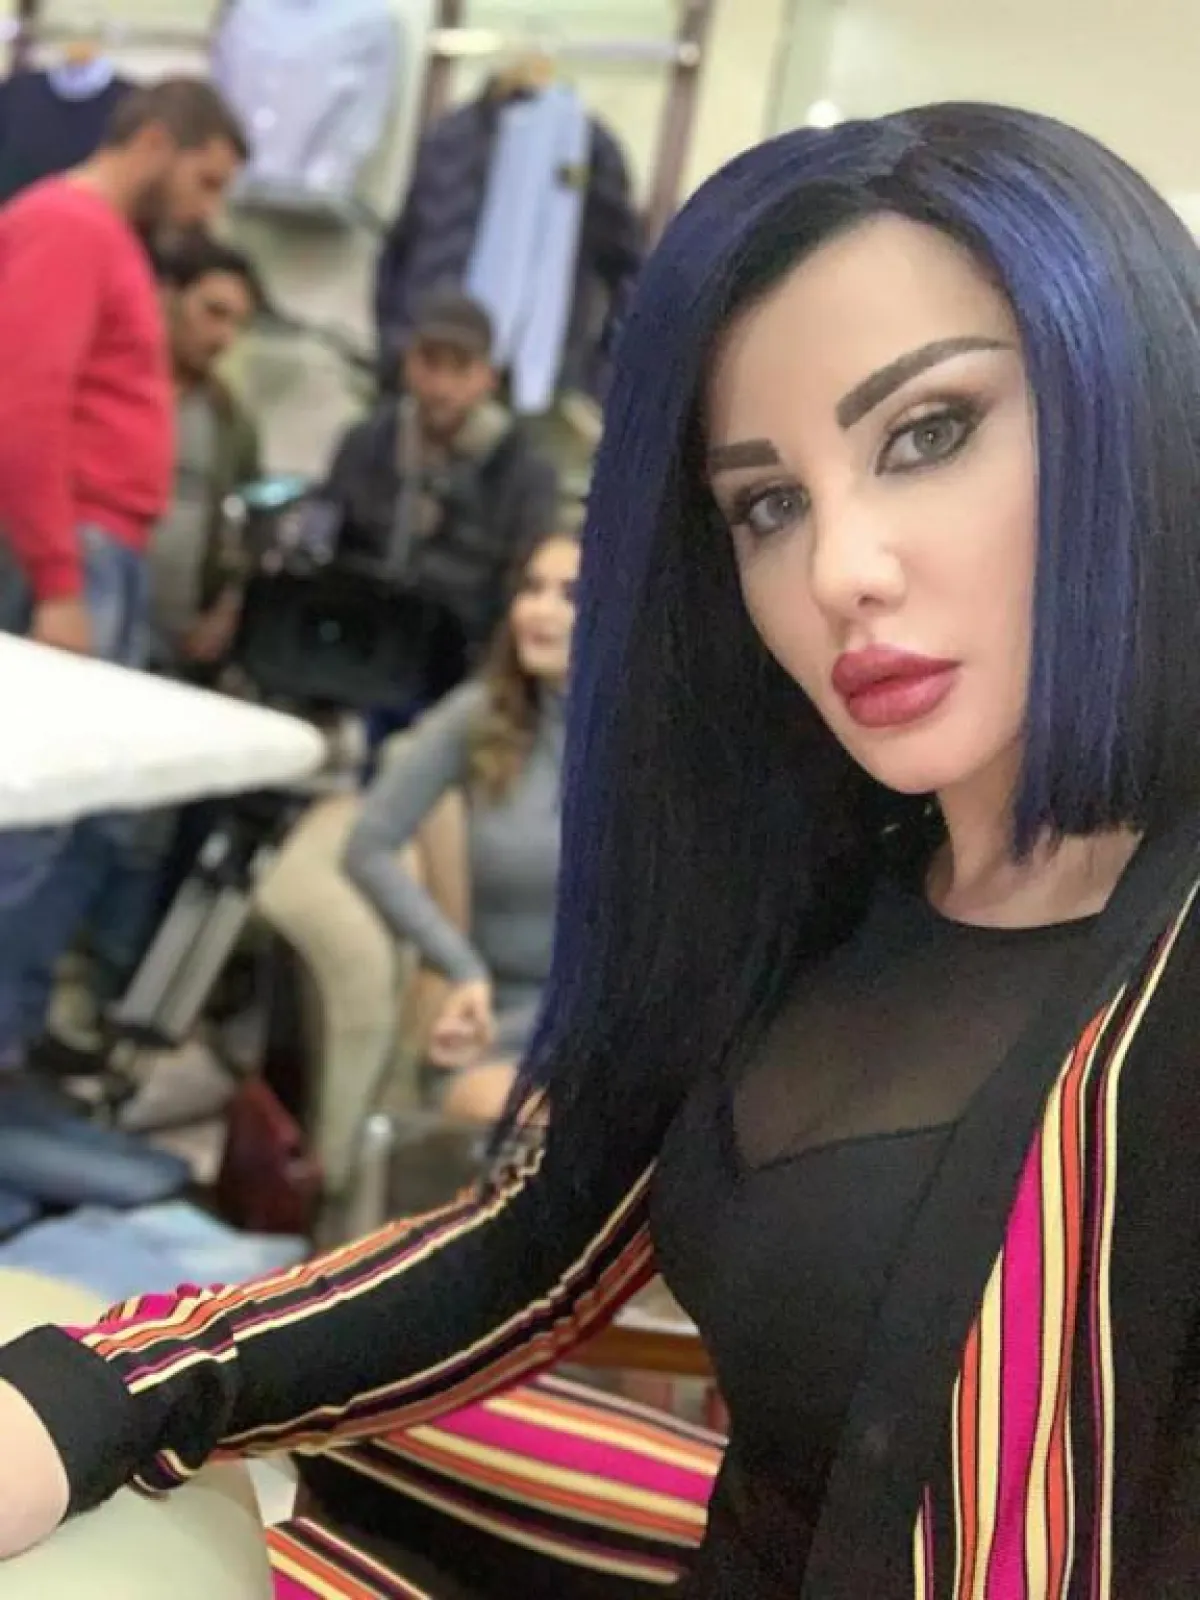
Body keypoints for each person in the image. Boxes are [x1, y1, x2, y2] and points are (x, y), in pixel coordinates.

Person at [3, 101, 1200, 1598]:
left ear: (1131, 401)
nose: (839, 570)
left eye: (930, 433)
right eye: (767, 504)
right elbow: (529, 1244)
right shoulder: (805, 897)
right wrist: (99, 1390)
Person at [0, 77, 247, 1069]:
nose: (207, 210)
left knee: (76, 825)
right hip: (77, 554)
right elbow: (23, 411)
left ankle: (12, 1044)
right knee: (33, 823)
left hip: (103, 555)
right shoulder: (67, 227)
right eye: (205, 180)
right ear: (153, 143)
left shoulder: (103, 241)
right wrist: (60, 582)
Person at [343, 530, 578, 1124]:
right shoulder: (478, 715)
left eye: (571, 595)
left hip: (616, 1032)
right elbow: (367, 845)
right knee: (551, 1134)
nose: (539, 611)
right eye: (532, 589)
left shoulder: (665, 742)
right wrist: (460, 966)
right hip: (495, 1030)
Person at [319, 287, 562, 720]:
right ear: (409, 363)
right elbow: (326, 540)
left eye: (460, 367)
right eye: (431, 363)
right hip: (358, 658)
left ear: (488, 376)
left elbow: (524, 582)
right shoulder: (368, 444)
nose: (442, 386)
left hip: (461, 676)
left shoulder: (522, 472)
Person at [145, 230, 264, 679]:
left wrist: (225, 612)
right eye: (213, 313)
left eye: (237, 324)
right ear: (169, 297)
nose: (223, 337)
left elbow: (249, 527)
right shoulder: (115, 388)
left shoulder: (229, 421)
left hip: (173, 646)